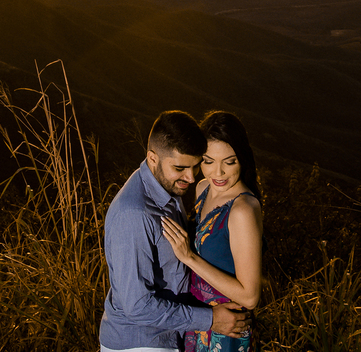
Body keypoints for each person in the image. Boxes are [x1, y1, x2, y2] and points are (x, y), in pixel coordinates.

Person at [100, 110, 250, 351]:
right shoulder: (134, 214)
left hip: (166, 337)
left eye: (195, 166)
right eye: (180, 168)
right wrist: (210, 319)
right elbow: (137, 306)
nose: (190, 178)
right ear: (152, 159)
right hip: (141, 343)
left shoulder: (166, 187)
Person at [161, 111, 263, 352]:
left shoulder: (242, 210)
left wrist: (188, 257)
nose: (218, 174)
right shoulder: (203, 188)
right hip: (200, 319)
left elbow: (250, 297)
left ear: (242, 158)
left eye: (229, 162)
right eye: (208, 161)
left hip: (228, 329)